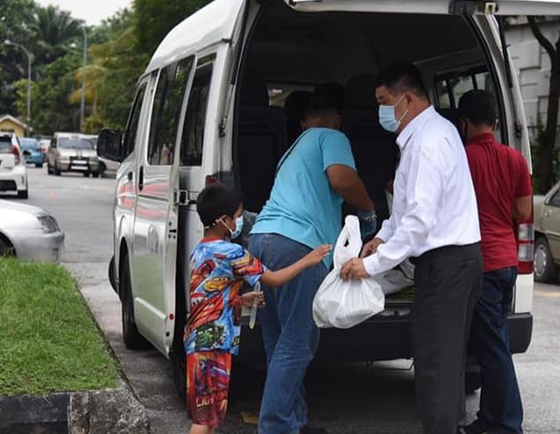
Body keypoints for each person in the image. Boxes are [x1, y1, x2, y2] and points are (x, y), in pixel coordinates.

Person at [340, 62, 483, 434]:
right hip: (453, 262)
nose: (381, 112)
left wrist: (369, 267)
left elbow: (419, 223)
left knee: (436, 365)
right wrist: (382, 238)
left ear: (406, 99)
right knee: (445, 362)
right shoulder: (430, 134)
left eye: (383, 101)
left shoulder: (428, 143)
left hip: (446, 263)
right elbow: (404, 211)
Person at [249, 94, 376, 434]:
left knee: (278, 339)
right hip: (298, 246)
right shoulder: (332, 137)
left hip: (261, 239)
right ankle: (275, 427)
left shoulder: (291, 153)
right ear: (337, 119)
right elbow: (341, 180)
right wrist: (368, 208)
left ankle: (294, 421)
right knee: (298, 341)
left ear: (303, 121)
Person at [185, 183, 331, 434]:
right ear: (223, 220)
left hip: (198, 339)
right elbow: (273, 279)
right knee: (204, 420)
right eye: (238, 216)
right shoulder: (231, 252)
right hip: (213, 343)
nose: (240, 221)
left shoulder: (200, 251)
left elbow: (208, 296)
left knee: (208, 418)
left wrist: (244, 300)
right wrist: (307, 260)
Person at [458, 90, 531, 434]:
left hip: (482, 264)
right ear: (497, 122)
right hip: (508, 263)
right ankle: (489, 418)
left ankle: (508, 424)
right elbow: (523, 212)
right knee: (492, 344)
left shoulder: (463, 158)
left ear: (464, 124)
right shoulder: (516, 159)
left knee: (494, 349)